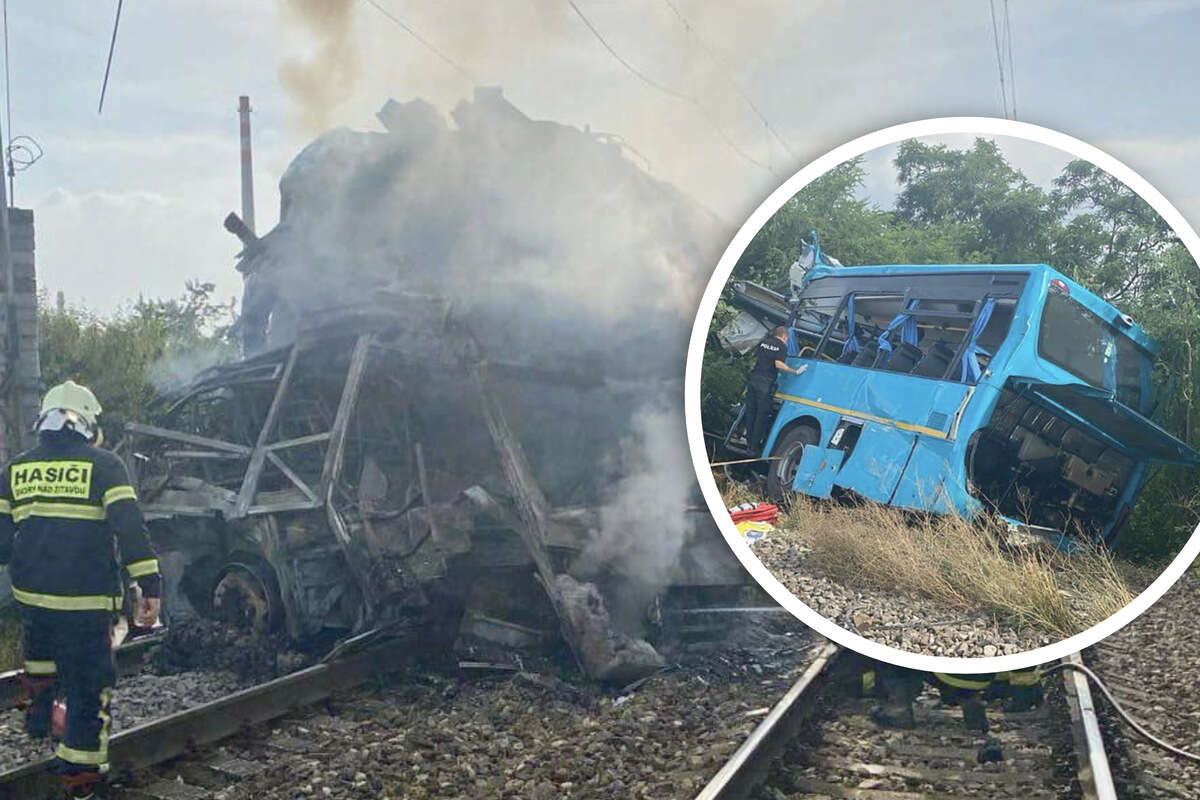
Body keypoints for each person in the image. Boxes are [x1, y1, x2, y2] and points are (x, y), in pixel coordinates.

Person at [0, 380, 162, 799]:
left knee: (42, 664)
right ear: (87, 422)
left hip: (33, 601)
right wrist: (150, 584)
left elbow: (1, 545)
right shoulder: (105, 466)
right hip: (85, 605)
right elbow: (130, 531)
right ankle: (83, 784)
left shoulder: (15, 470)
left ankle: (40, 721)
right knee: (90, 691)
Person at [743, 325, 806, 451]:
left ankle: (748, 441)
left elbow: (758, 358)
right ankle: (754, 446)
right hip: (766, 383)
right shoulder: (782, 346)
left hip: (754, 378)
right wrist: (795, 371)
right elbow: (778, 364)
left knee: (751, 411)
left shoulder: (764, 343)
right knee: (761, 414)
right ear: (784, 336)